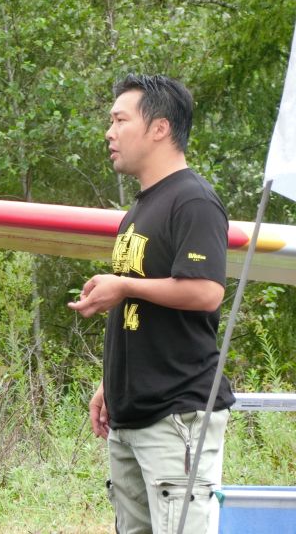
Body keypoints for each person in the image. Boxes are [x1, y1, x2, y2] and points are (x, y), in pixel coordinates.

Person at [68, 74, 235, 533]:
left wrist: (124, 286)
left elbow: (206, 291)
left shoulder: (194, 200)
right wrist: (111, 384)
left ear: (159, 128)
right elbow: (142, 312)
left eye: (120, 120)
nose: (110, 132)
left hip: (176, 415)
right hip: (131, 415)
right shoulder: (141, 209)